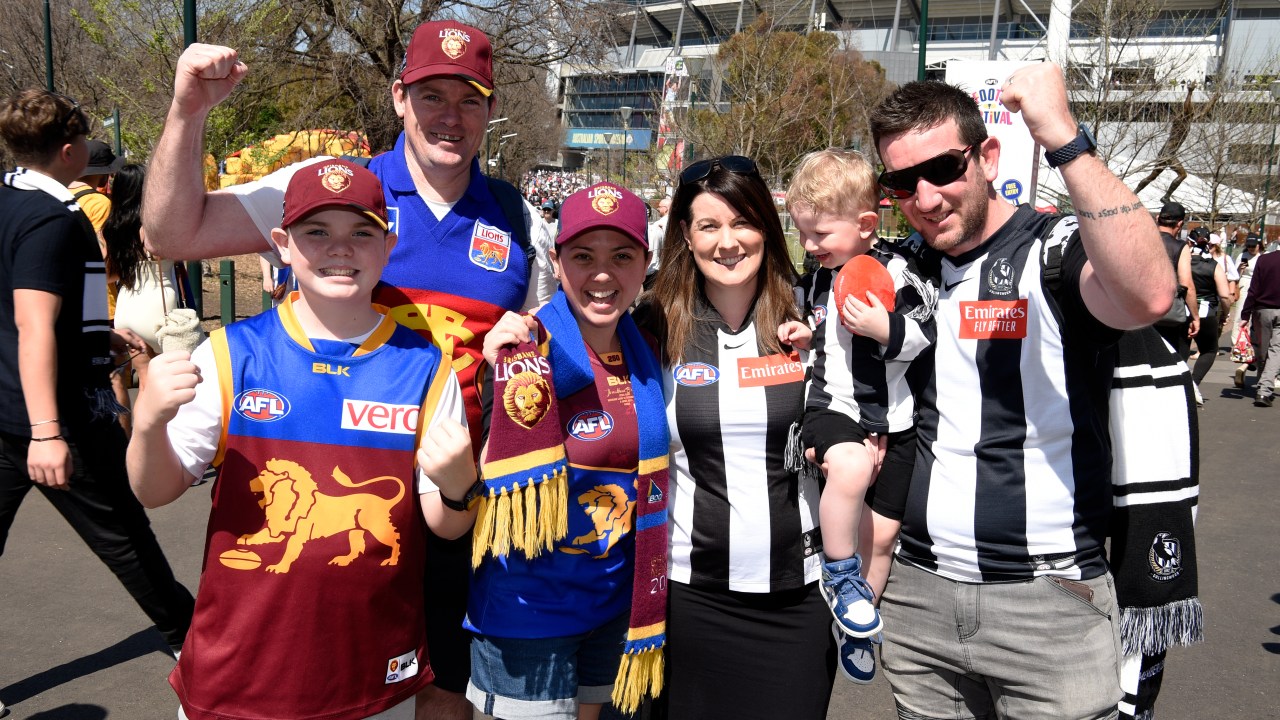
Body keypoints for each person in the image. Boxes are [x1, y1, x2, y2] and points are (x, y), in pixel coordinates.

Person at [143, 23, 556, 719]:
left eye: (470, 98)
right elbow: (169, 234)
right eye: (431, 95)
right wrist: (188, 112)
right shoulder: (327, 192)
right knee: (327, 688)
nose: (450, 116)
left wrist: (527, 353)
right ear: (399, 97)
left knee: (444, 695)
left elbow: (544, 355)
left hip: (453, 502)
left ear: (491, 110)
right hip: (347, 493)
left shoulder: (518, 220)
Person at [868, 64, 1172, 719]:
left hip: (1048, 606)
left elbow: (1148, 291)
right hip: (918, 599)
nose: (924, 196)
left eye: (944, 169)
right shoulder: (903, 268)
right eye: (902, 181)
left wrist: (1061, 134)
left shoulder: (1053, 252)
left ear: (987, 156)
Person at [127, 160, 480, 720]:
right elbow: (153, 490)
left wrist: (462, 486)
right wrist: (146, 421)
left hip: (370, 672)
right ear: (281, 244)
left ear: (387, 246)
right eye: (317, 231)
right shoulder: (229, 354)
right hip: (240, 668)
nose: (340, 249)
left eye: (361, 233)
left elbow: (446, 522)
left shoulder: (424, 368)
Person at [0, 89, 195, 668]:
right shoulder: (52, 219)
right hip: (56, 415)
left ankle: (190, 637)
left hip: (14, 406)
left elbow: (33, 305)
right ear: (68, 150)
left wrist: (97, 335)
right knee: (126, 538)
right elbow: (32, 324)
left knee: (125, 537)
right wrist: (46, 432)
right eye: (84, 140)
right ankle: (196, 645)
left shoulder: (9, 199)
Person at [636, 156, 835, 720]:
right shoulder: (651, 326)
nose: (728, 242)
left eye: (743, 222)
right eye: (709, 225)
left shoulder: (814, 318)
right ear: (685, 234)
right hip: (687, 598)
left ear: (766, 229)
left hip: (796, 599)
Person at [469, 182, 667, 719]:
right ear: (557, 262)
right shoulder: (521, 351)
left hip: (615, 610)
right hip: (528, 617)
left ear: (645, 262)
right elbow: (482, 479)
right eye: (583, 256)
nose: (602, 274)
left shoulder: (649, 347)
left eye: (621, 256)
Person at [776, 148, 937, 684]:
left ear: (866, 224)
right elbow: (820, 332)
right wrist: (804, 335)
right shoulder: (819, 275)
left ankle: (860, 615)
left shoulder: (898, 271)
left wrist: (884, 327)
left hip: (896, 417)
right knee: (849, 470)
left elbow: (923, 336)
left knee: (886, 534)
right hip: (833, 406)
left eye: (820, 234)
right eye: (803, 234)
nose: (810, 246)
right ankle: (840, 574)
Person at [105, 163, 179, 389]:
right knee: (170, 385)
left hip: (127, 308)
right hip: (160, 304)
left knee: (146, 382)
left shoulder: (113, 227)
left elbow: (109, 275)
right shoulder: (159, 224)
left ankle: (141, 426)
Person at [1187, 227, 1231, 404]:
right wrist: (1225, 314)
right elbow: (1225, 295)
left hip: (1182, 311)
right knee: (1210, 350)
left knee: (1179, 349)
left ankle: (1177, 384)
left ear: (1189, 242)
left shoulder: (1182, 263)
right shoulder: (1214, 266)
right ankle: (1194, 382)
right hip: (1207, 312)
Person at [1152, 202, 1198, 357]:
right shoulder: (1180, 247)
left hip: (1138, 310)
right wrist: (1195, 316)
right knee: (1169, 358)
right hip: (1167, 314)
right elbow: (1187, 285)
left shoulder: (1140, 240)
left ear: (1158, 218)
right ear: (1180, 223)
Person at [1241, 246, 1280, 406]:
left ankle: (1263, 386)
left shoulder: (1264, 260)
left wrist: (1245, 313)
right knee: (1276, 350)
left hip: (1262, 310)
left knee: (1263, 350)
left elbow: (1254, 289)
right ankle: (1264, 389)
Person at [646, 195, 671, 282]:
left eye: (659, 207)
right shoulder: (677, 223)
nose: (658, 209)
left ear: (666, 208)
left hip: (656, 268)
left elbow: (654, 249)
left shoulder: (658, 225)